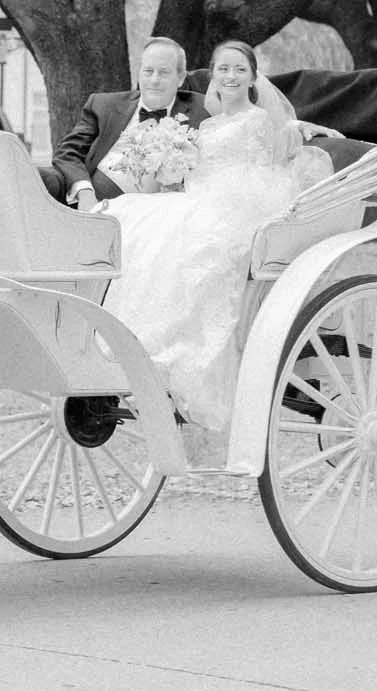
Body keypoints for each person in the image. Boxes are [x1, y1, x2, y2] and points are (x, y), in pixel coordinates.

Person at [100, 40, 334, 431]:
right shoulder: (207, 125)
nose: (230, 76)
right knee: (133, 215)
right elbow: (195, 170)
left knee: (193, 236)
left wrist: (299, 129)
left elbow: (267, 165)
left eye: (240, 69)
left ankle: (173, 352)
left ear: (253, 77)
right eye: (224, 69)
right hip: (199, 194)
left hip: (239, 200)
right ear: (214, 73)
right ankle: (126, 340)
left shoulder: (258, 120)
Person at [46, 36, 211, 208]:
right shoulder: (104, 105)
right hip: (94, 202)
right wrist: (85, 193)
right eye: (148, 71)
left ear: (180, 78)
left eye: (164, 72)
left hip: (157, 212)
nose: (154, 80)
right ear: (139, 73)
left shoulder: (203, 110)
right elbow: (67, 152)